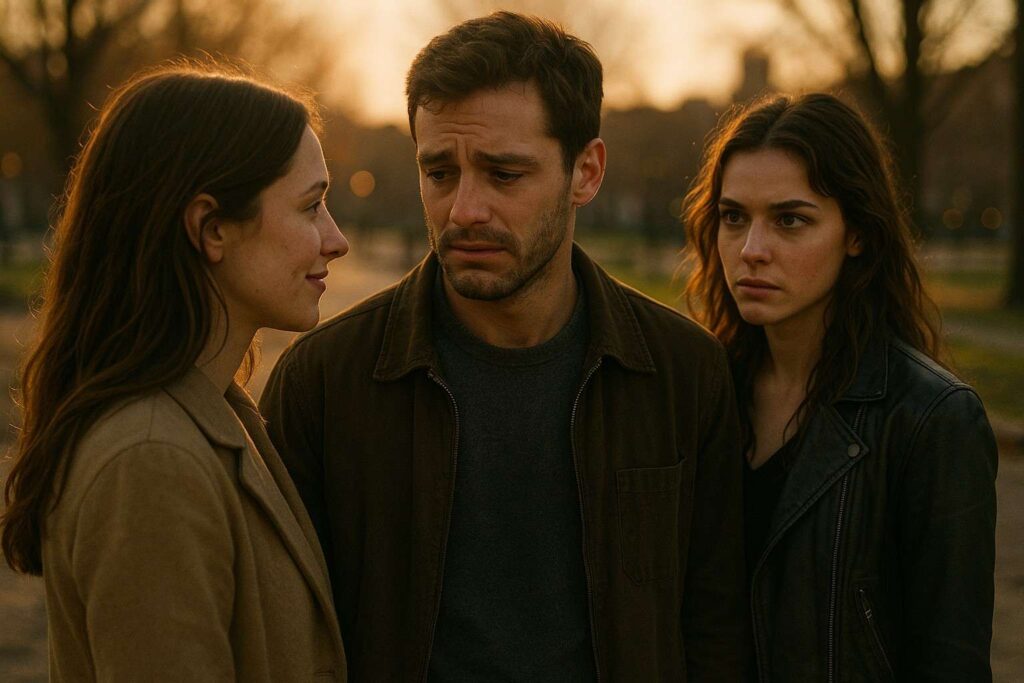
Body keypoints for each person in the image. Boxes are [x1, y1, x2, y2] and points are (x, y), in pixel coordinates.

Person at [260, 11, 749, 682]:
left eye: (504, 174)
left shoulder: (683, 373)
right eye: (439, 172)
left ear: (587, 171)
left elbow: (717, 630)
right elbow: (288, 639)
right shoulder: (324, 380)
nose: (464, 209)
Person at [0, 64, 350, 680]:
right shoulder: (153, 458)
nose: (336, 238)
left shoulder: (216, 415)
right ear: (211, 229)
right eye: (312, 206)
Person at [683, 92, 998, 681]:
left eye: (790, 220)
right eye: (733, 217)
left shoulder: (930, 419)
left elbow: (950, 659)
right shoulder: (700, 393)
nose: (752, 250)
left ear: (856, 233)